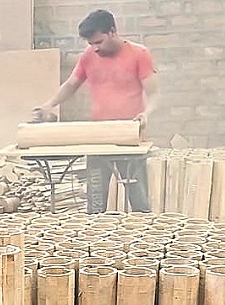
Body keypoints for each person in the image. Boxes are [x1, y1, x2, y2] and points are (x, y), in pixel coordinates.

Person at [35, 9, 159, 213]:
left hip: (129, 138)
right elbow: (71, 85)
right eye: (91, 43)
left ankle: (143, 230)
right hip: (98, 139)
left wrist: (146, 114)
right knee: (96, 203)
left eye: (99, 42)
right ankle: (96, 231)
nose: (95, 48)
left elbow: (154, 94)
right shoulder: (89, 56)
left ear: (112, 31)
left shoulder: (139, 54)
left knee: (139, 202)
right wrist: (49, 104)